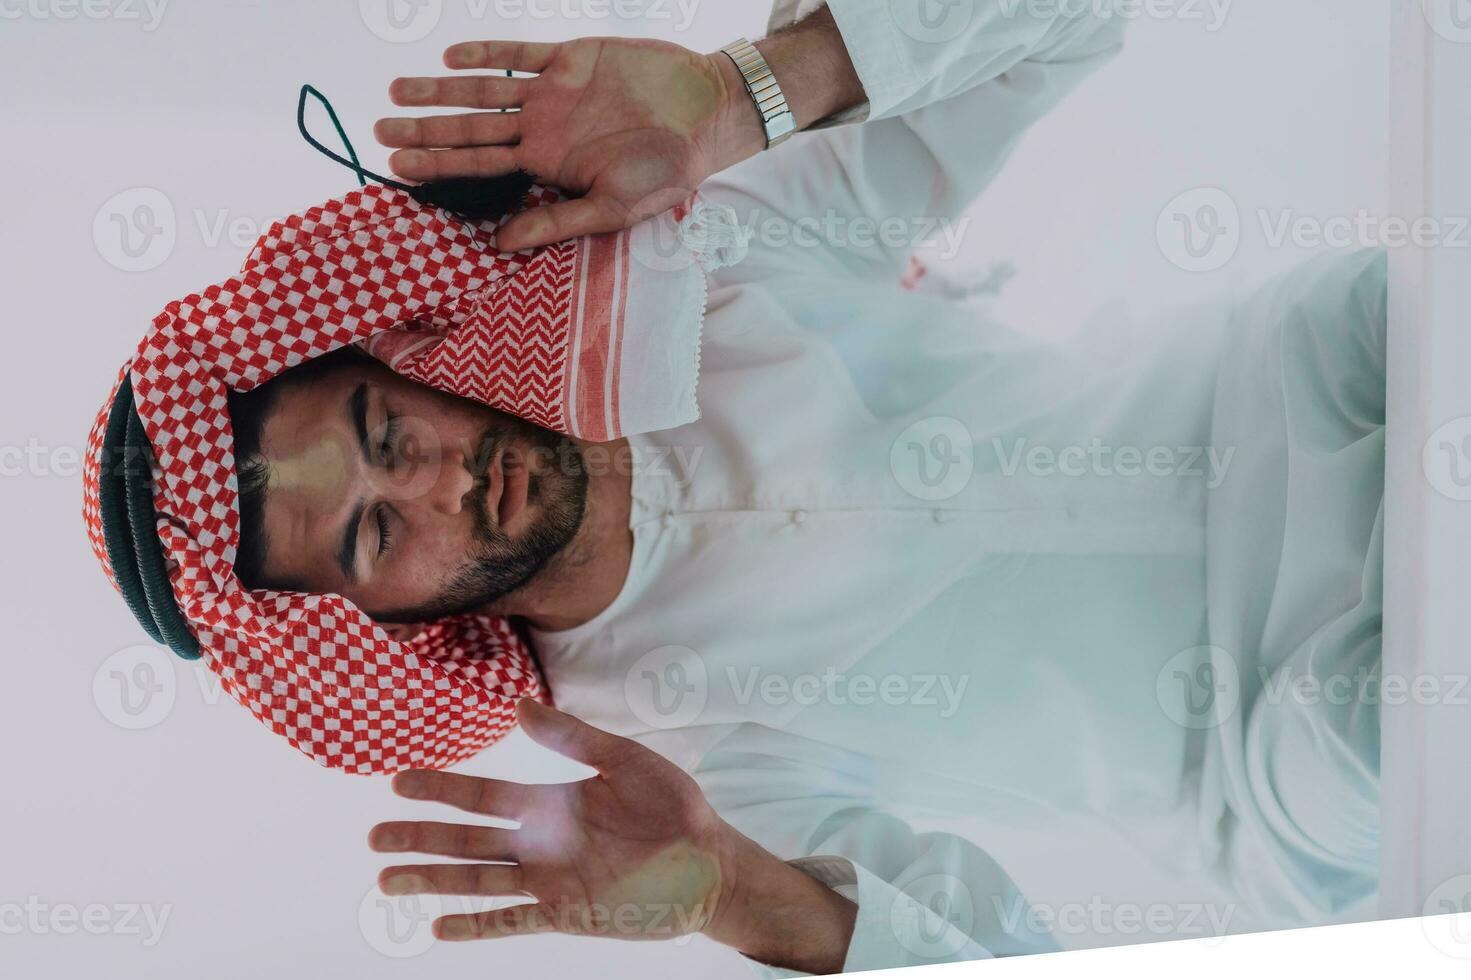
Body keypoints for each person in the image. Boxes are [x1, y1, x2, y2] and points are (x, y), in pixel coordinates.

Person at [123, 2, 1392, 974]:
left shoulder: (712, 257)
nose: (446, 481)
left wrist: (747, 96)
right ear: (380, 624)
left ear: (411, 359)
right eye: (372, 532)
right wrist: (743, 895)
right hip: (1301, 739)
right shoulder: (674, 760)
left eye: (385, 433)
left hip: (1333, 396)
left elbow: (1072, 20)